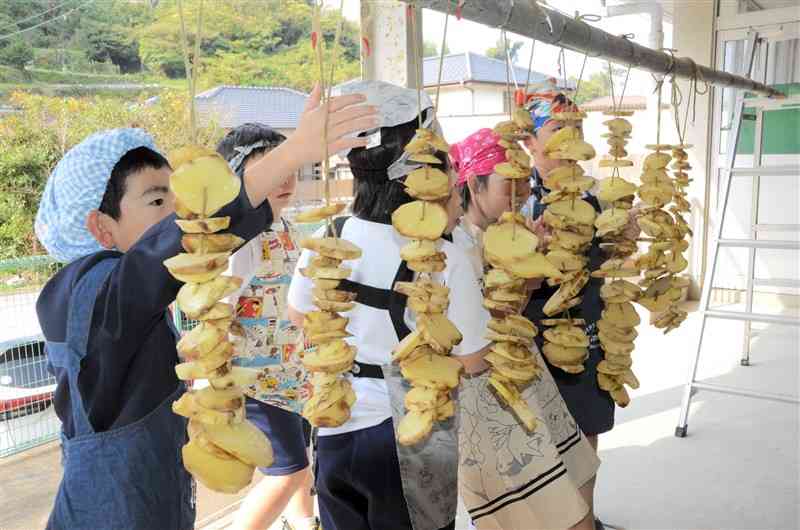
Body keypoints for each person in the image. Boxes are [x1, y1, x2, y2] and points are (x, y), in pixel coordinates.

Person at [34, 86, 377, 530]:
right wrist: (293, 153)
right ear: (101, 227)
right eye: (158, 201)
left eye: (178, 203)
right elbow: (174, 246)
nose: (180, 216)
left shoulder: (121, 294)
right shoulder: (86, 290)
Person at [287, 80, 491, 530]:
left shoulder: (328, 237)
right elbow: (474, 360)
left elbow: (299, 315)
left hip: (336, 428)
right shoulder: (442, 255)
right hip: (408, 436)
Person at [449, 128, 600, 530]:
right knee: (536, 512)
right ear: (473, 184)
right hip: (489, 394)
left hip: (525, 377)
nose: (519, 192)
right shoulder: (455, 246)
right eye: (506, 184)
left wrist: (533, 266)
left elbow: (511, 309)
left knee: (575, 477)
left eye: (521, 182)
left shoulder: (508, 232)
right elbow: (474, 337)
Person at [519, 91, 639, 530]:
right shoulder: (513, 195)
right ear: (529, 142)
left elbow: (607, 257)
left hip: (588, 327)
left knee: (584, 435)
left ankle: (584, 520)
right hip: (526, 333)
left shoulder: (597, 196)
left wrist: (623, 237)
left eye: (577, 129)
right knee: (534, 439)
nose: (570, 138)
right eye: (556, 129)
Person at [214, 123, 318, 530]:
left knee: (302, 460)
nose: (286, 180)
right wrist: (216, 388)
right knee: (287, 471)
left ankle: (303, 523)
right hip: (256, 383)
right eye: (272, 171)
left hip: (293, 375)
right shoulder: (240, 241)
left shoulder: (287, 227)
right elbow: (216, 316)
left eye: (289, 168)